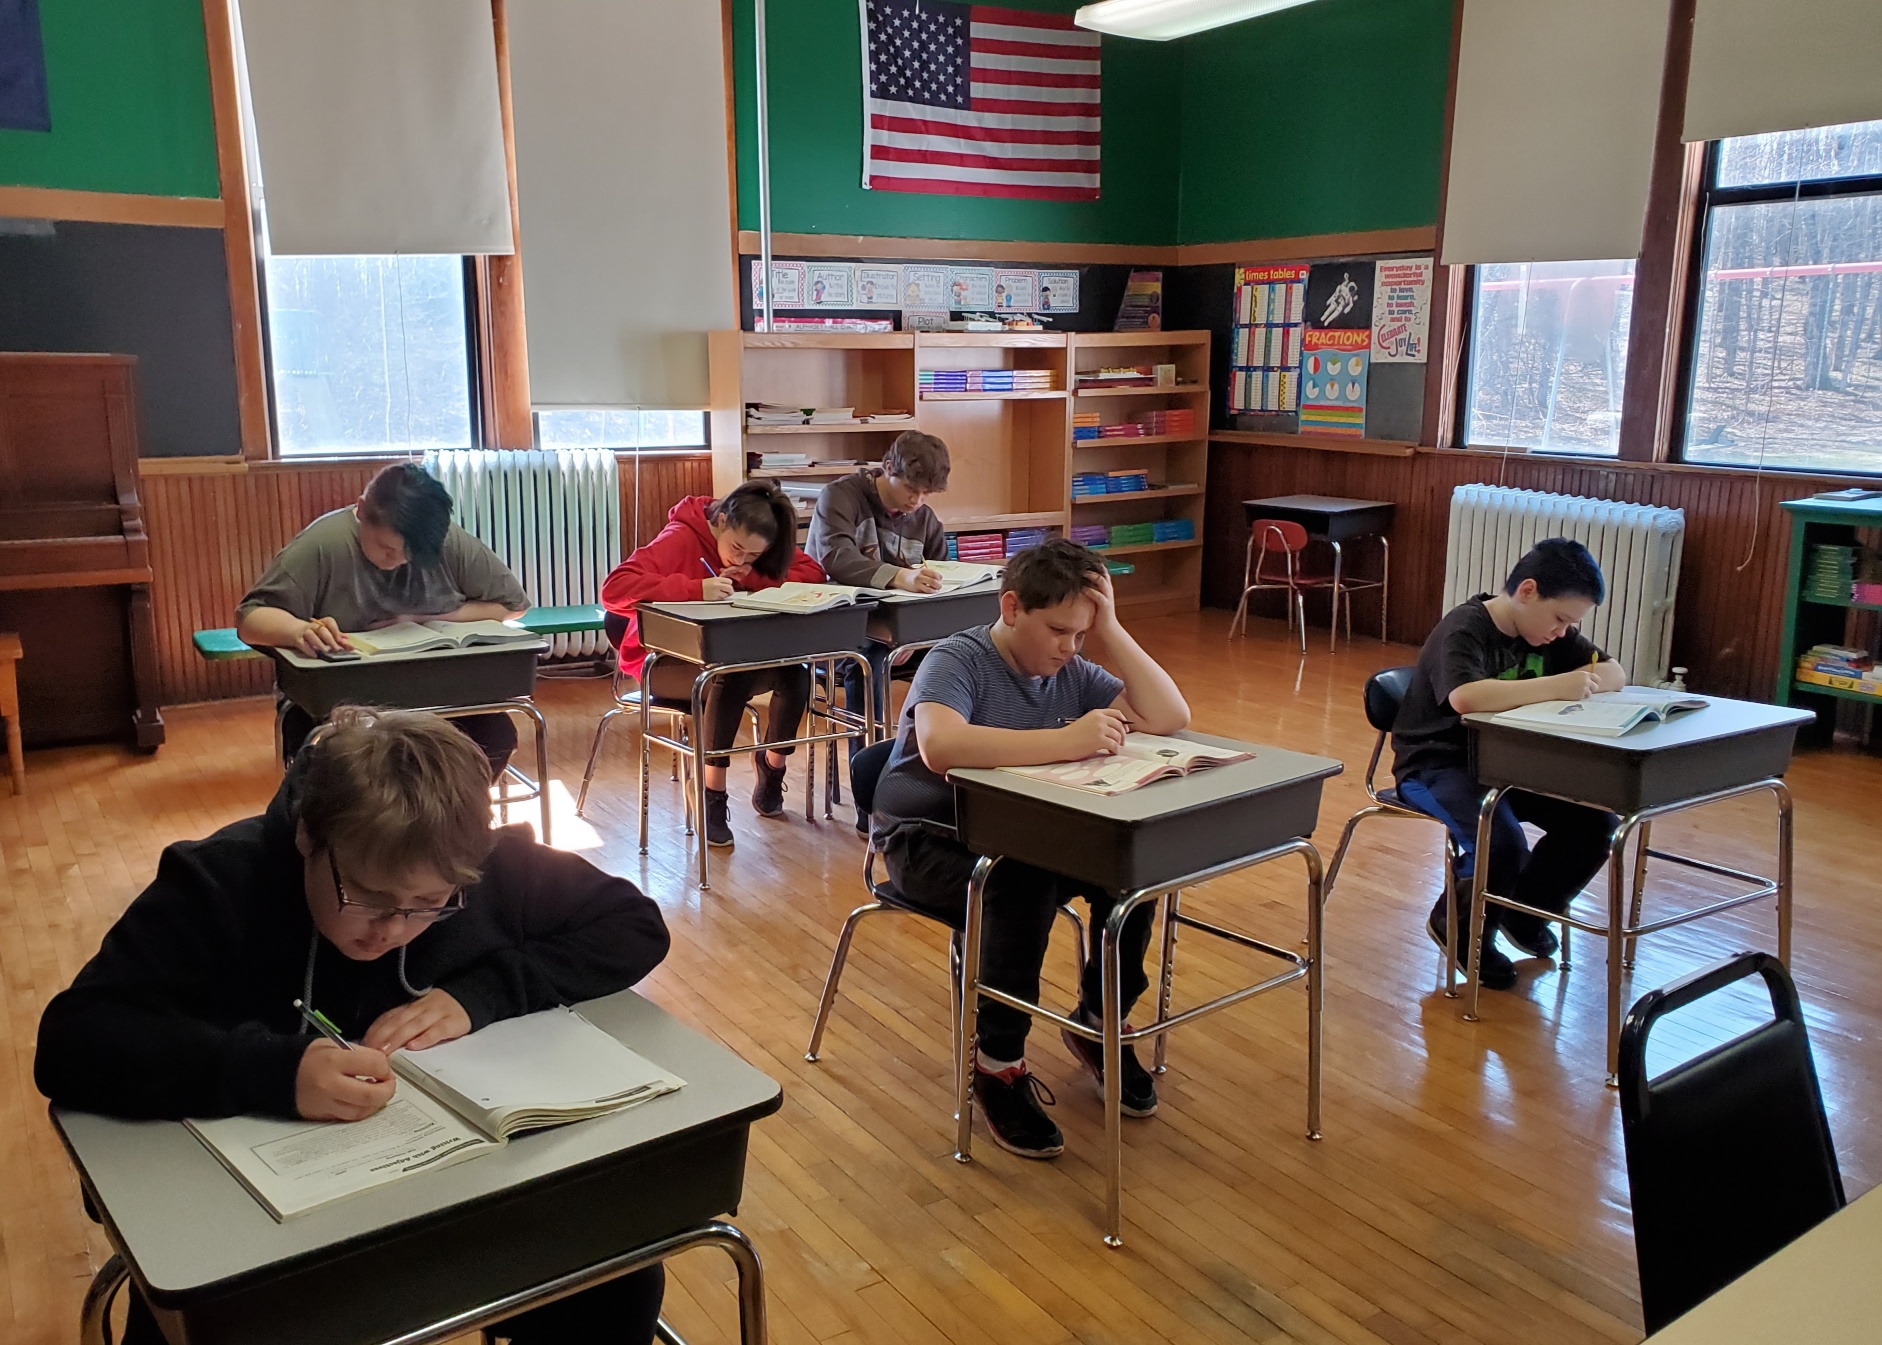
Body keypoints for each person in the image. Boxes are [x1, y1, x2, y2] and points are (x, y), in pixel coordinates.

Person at [35, 709, 673, 1345]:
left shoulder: (482, 871)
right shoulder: (218, 884)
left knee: (618, 1275)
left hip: (454, 1194)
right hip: (254, 1234)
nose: (392, 929)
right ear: (309, 836)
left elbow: (635, 925)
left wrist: (483, 994)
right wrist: (274, 1072)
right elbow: (73, 1040)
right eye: (368, 896)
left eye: (427, 907)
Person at [870, 539, 1190, 1159]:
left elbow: (1169, 714)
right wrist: (1067, 741)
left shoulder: (1070, 669)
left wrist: (1113, 630)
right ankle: (997, 1063)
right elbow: (941, 747)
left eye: (1082, 633)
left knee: (1131, 868)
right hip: (927, 841)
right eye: (1059, 630)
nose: (1070, 647)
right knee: (1021, 883)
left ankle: (1099, 1023)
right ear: (1012, 607)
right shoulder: (957, 659)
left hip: (1026, 832)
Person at [1390, 537, 1627, 990]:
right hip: (1437, 765)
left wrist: (1585, 676)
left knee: (1596, 828)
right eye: (1560, 619)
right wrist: (1561, 685)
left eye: (1571, 624)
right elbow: (1466, 697)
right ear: (1527, 591)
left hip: (1511, 764)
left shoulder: (1549, 632)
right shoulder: (1465, 628)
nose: (1563, 632)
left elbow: (1613, 671)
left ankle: (1522, 911)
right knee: (1500, 844)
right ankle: (1458, 927)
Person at [236, 463, 530, 772]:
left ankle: (444, 818)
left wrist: (422, 618)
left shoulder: (441, 540)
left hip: (433, 690)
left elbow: (512, 604)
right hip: (335, 700)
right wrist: (299, 630)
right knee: (359, 766)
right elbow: (250, 619)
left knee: (494, 737)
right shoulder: (324, 544)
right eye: (387, 549)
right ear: (362, 510)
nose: (399, 561)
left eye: (410, 556)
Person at [600, 480, 826, 849]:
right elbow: (614, 590)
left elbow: (813, 573)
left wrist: (751, 579)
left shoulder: (748, 554)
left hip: (729, 653)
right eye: (736, 548)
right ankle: (711, 793)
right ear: (720, 520)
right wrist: (695, 587)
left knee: (794, 673)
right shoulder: (680, 536)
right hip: (662, 662)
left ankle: (772, 767)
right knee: (726, 678)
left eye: (752, 556)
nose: (739, 560)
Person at [805, 430, 952, 803]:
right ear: (888, 468)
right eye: (910, 490)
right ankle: (870, 794)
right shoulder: (840, 497)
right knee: (868, 662)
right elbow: (835, 559)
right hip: (838, 629)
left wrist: (915, 635)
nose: (916, 501)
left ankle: (939, 776)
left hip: (903, 633)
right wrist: (901, 577)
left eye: (925, 494)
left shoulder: (926, 519)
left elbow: (942, 579)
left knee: (958, 656)